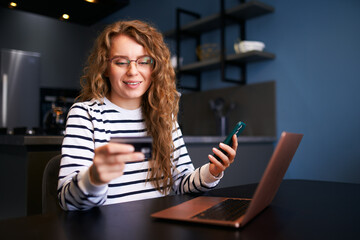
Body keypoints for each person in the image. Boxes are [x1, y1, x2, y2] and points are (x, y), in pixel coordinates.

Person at [57, 20, 238, 211]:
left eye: (144, 61)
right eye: (120, 62)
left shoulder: (164, 116)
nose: (133, 71)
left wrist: (212, 172)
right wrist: (93, 178)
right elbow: (67, 201)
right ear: (105, 68)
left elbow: (182, 183)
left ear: (154, 68)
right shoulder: (86, 115)